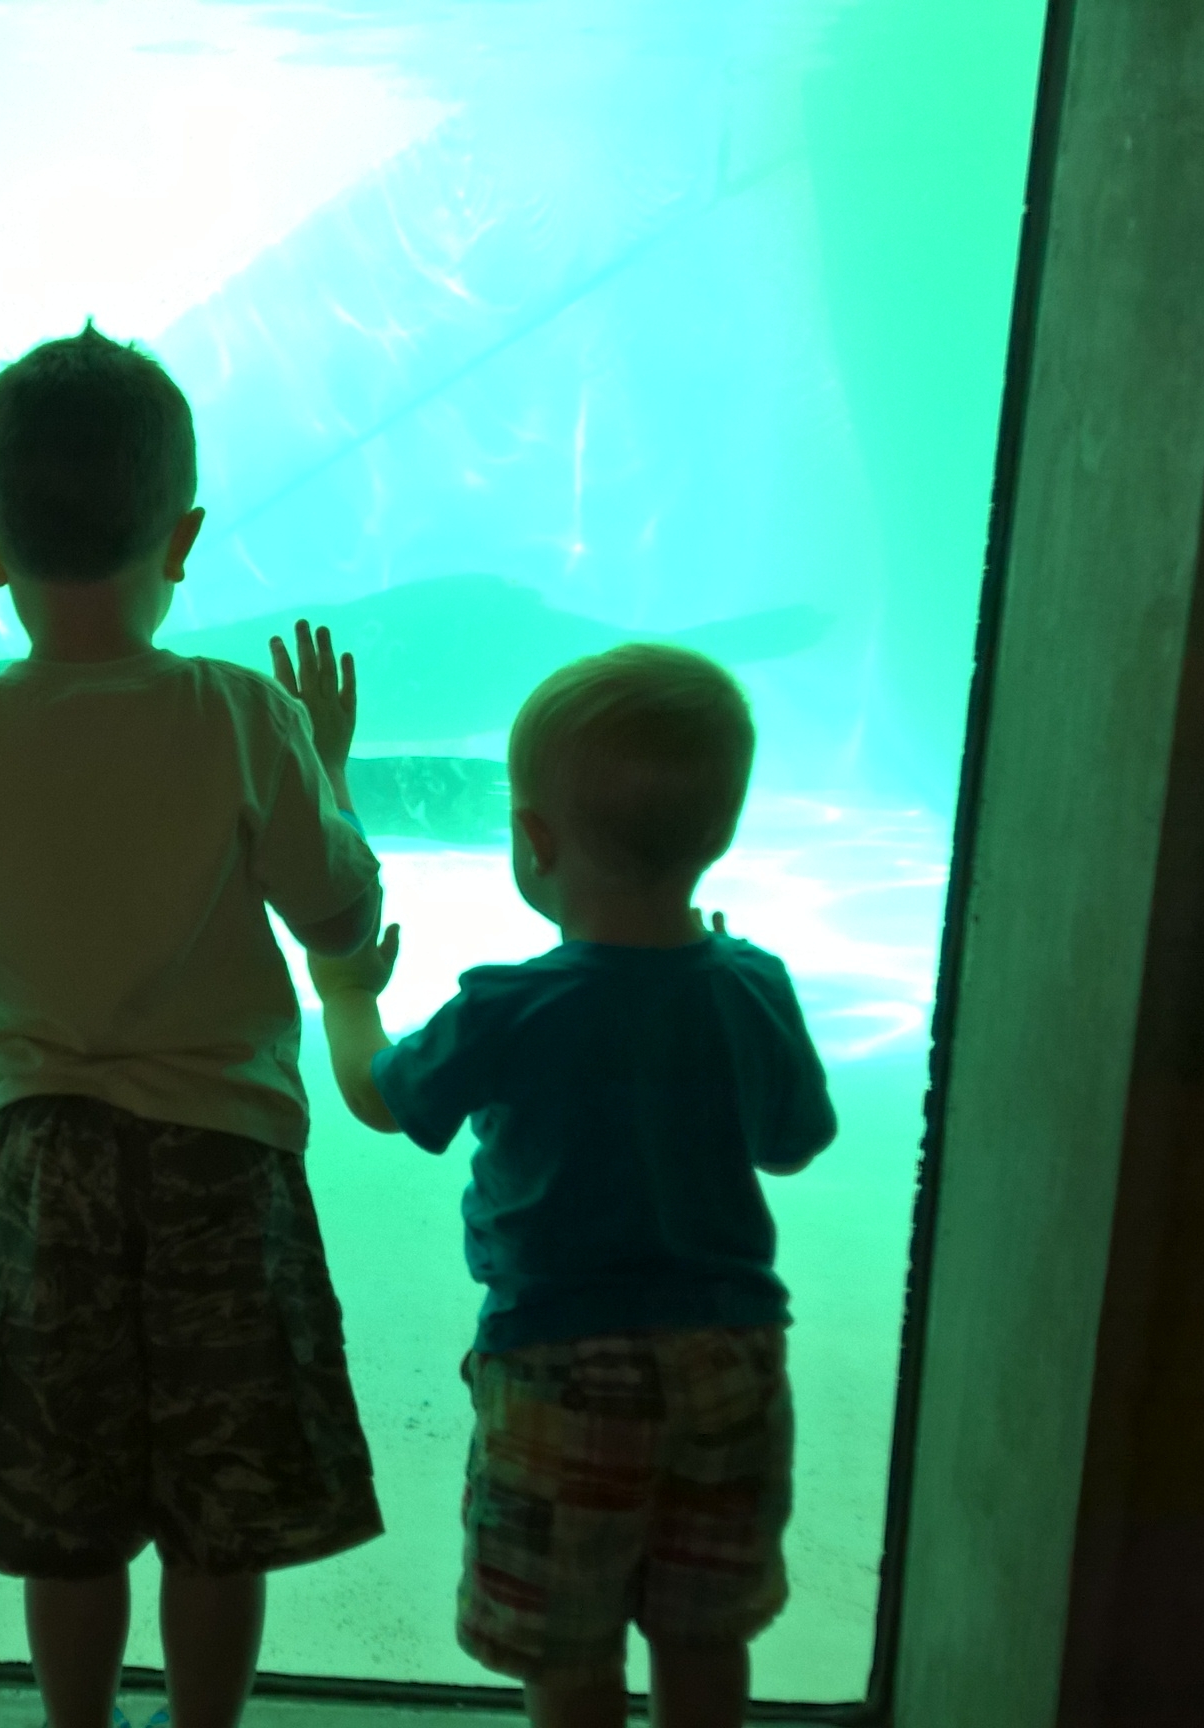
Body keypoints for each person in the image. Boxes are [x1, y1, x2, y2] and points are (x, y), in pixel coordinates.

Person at [0, 324, 387, 1728]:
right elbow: (340, 911)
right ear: (186, 537)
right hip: (228, 1164)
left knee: (68, 1509)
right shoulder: (245, 716)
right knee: (221, 1509)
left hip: (46, 1170)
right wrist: (329, 771)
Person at [304, 644, 833, 1728]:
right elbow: (792, 1145)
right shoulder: (753, 984)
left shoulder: (506, 1008)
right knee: (704, 1630)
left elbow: (380, 1098)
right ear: (721, 834)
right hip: (730, 1360)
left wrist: (345, 992)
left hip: (560, 1367)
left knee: (568, 1645)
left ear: (535, 840)